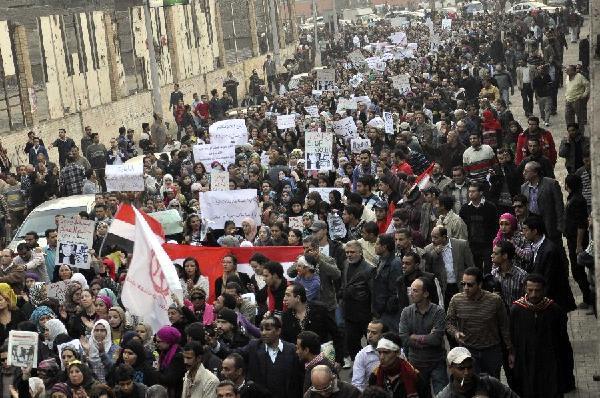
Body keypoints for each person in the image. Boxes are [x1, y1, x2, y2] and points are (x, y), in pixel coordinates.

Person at [510, 274, 575, 397]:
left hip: (549, 361)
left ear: (544, 290)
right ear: (525, 289)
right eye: (530, 290)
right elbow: (513, 337)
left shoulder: (553, 309)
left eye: (537, 290)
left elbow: (562, 340)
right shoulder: (517, 310)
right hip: (526, 361)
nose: (534, 294)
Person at [445, 267, 512, 379]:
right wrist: (456, 333)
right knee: (471, 385)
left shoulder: (495, 300)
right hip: (468, 351)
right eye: (463, 284)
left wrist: (510, 350)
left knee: (492, 385)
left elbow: (504, 326)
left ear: (480, 285)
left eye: (470, 285)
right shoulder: (456, 300)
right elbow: (448, 322)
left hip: (491, 351)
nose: (466, 288)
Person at [399, 277, 447, 395]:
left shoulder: (438, 312)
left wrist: (414, 337)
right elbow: (404, 338)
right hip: (416, 364)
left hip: (436, 362)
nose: (411, 294)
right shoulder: (406, 312)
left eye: (415, 291)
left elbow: (436, 339)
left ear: (425, 293)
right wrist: (427, 339)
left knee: (442, 394)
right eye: (411, 290)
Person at [238, 316, 302, 398]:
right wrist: (216, 346)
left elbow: (299, 380)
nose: (263, 333)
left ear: (278, 331)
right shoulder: (253, 347)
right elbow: (232, 353)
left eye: (268, 329)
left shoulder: (292, 350)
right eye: (261, 330)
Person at [522, 216, 576, 312]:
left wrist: (538, 304)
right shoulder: (535, 246)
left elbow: (549, 281)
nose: (523, 233)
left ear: (534, 231)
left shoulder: (549, 250)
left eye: (525, 230)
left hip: (553, 304)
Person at [436, 347, 519, 397]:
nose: (466, 372)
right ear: (450, 368)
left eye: (469, 367)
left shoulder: (490, 384)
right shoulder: (445, 395)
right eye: (461, 368)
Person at [423, 226, 474, 307]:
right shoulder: (428, 249)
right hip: (443, 288)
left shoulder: (461, 245)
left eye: (435, 237)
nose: (432, 240)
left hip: (460, 286)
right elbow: (427, 270)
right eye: (431, 237)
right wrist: (435, 253)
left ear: (444, 237)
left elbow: (470, 266)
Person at [367, 332, 429, 397]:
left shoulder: (414, 376)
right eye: (379, 352)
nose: (382, 357)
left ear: (398, 352)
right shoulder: (375, 376)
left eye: (386, 352)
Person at [340, 241, 373, 360]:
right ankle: (359, 365)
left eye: (352, 252)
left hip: (365, 314)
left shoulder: (369, 269)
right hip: (349, 313)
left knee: (371, 344)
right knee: (351, 344)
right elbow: (344, 283)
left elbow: (372, 292)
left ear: (360, 252)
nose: (349, 254)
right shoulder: (346, 264)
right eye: (347, 252)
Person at [563, 174, 592, 308]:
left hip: (577, 240)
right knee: (577, 270)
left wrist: (579, 244)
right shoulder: (573, 198)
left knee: (578, 270)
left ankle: (588, 298)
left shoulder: (577, 201)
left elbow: (581, 224)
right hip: (572, 238)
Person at [520, 161, 564, 242]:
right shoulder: (524, 187)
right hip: (533, 224)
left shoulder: (551, 184)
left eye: (526, 171)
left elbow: (559, 205)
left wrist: (560, 225)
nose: (523, 173)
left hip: (549, 223)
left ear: (535, 172)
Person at [372, 234, 402, 332]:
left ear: (384, 247)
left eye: (377, 244)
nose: (374, 246)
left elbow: (396, 290)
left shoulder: (395, 263)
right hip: (380, 310)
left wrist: (388, 307)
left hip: (390, 312)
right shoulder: (381, 260)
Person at [351, 320, 387, 391]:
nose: (369, 335)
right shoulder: (362, 355)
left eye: (374, 333)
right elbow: (357, 384)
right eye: (368, 331)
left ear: (383, 335)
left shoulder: (396, 352)